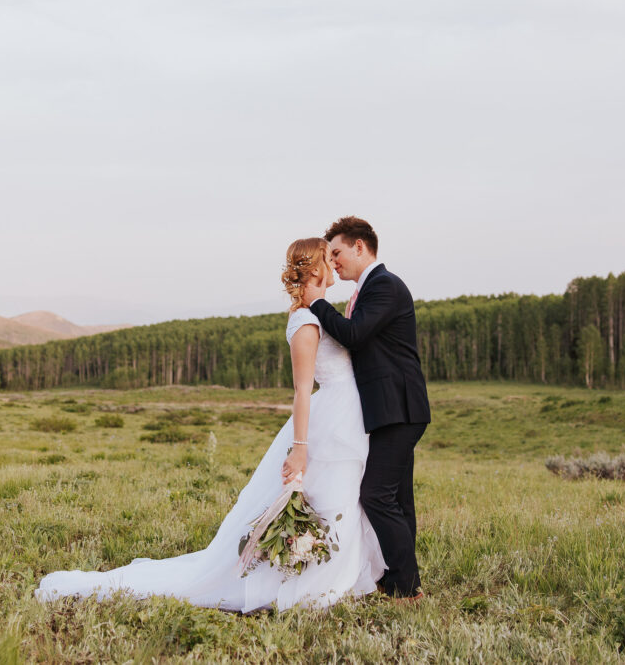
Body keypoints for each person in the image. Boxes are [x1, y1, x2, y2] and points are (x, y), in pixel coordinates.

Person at [34, 238, 385, 612]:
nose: (334, 262)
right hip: (329, 419)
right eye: (327, 258)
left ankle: (336, 576)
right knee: (327, 496)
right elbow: (301, 391)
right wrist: (300, 449)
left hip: (347, 416)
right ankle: (308, 584)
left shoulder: (321, 311)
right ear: (315, 269)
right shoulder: (305, 321)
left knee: (342, 496)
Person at [302, 217, 430, 600]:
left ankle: (406, 588)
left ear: (361, 247)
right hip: (390, 409)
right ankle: (402, 580)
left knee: (376, 494)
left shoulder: (384, 286)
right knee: (397, 498)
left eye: (337, 253)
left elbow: (354, 335)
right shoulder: (368, 288)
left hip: (399, 409)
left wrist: (317, 304)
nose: (334, 261)